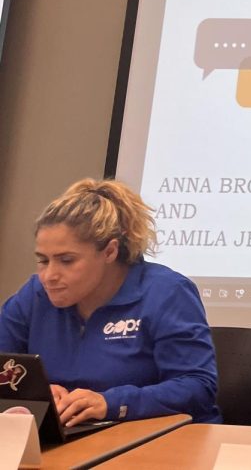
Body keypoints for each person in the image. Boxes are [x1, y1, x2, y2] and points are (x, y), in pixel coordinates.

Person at [0, 178, 220, 425]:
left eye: (67, 260)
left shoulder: (166, 292)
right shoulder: (34, 295)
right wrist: (36, 393)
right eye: (43, 260)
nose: (49, 275)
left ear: (109, 252)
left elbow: (197, 387)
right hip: (67, 437)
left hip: (155, 439)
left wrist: (111, 403)